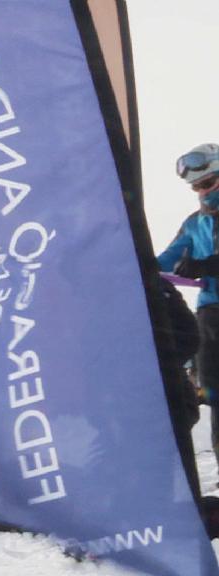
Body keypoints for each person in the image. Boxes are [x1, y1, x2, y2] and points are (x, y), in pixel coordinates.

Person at [158, 143, 219, 488]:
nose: (201, 192)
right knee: (214, 392)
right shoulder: (195, 224)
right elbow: (164, 261)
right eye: (196, 187)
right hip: (212, 315)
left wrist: (209, 265)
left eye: (208, 183)